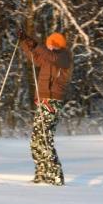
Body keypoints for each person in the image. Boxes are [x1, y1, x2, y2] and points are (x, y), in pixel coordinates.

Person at [17, 29, 73, 186]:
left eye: (50, 44)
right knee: (36, 140)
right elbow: (35, 57)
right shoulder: (49, 58)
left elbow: (51, 56)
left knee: (45, 139)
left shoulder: (64, 57)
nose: (48, 46)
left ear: (56, 44)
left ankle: (55, 176)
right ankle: (42, 174)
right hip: (42, 101)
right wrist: (25, 42)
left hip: (52, 101)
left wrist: (36, 44)